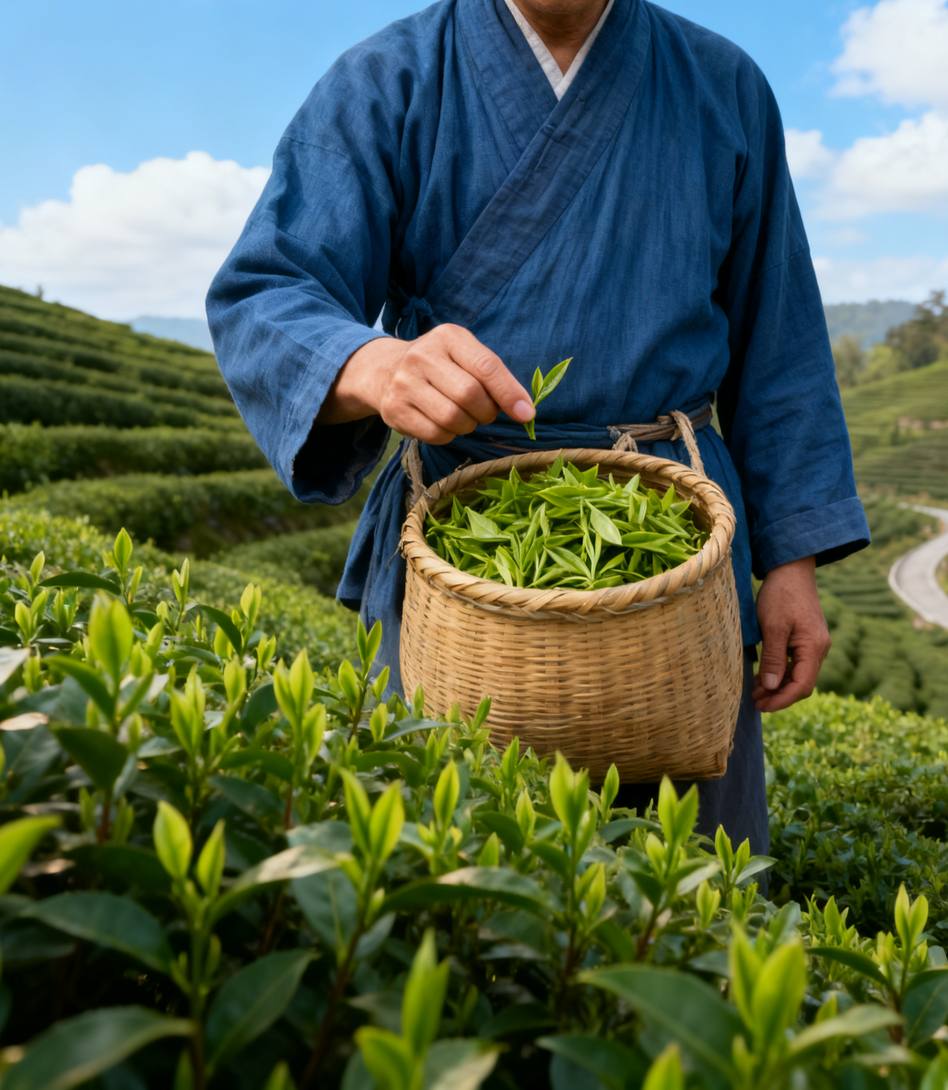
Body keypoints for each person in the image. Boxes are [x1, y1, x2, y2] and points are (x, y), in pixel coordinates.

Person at [206, 0, 870, 855]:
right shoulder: (389, 79)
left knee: (687, 886)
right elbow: (265, 288)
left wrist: (791, 563)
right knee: (444, 867)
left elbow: (779, 340)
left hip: (674, 540)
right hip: (461, 537)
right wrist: (374, 367)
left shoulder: (724, 85)